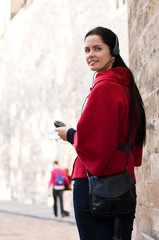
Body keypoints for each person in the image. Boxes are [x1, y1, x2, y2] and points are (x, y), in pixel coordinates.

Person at [56, 27, 146, 240]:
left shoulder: (105, 87)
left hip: (94, 184)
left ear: (113, 51)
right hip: (124, 183)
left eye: (97, 48)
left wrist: (69, 133)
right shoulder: (127, 86)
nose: (90, 55)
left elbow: (94, 144)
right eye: (87, 50)